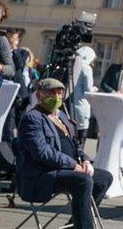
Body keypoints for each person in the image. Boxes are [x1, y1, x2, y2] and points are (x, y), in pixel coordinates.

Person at [16, 78, 113, 229]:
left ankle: (76, 222)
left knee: (104, 178)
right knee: (83, 181)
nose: (56, 97)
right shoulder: (32, 118)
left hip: (66, 170)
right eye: (51, 93)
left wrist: (85, 161)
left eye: (60, 93)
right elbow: (42, 153)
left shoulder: (61, 116)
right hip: (42, 175)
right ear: (39, 95)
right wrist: (73, 165)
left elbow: (76, 147)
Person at [70, 45, 97, 144]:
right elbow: (88, 90)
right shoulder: (86, 68)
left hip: (70, 106)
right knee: (80, 140)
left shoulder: (72, 65)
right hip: (81, 107)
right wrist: (94, 89)